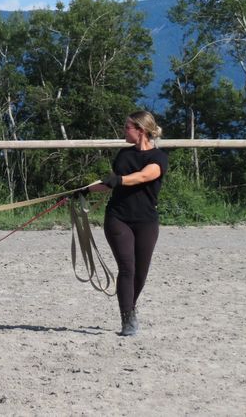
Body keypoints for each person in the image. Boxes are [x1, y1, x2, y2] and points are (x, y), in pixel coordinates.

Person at [87, 110, 168, 336]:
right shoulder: (123, 155)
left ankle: (130, 307)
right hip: (118, 217)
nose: (124, 131)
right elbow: (112, 183)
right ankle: (126, 318)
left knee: (141, 273)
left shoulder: (158, 158)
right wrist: (84, 190)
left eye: (127, 127)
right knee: (127, 267)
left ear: (140, 130)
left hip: (146, 221)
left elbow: (144, 176)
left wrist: (119, 180)